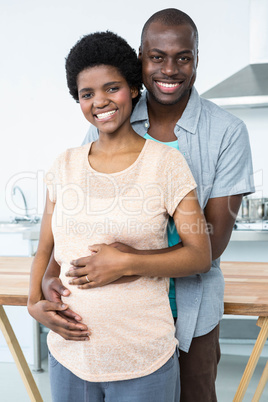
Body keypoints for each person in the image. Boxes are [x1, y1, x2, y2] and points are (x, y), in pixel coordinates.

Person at [40, 8, 255, 402]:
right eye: (157, 57)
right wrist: (49, 280)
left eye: (183, 58)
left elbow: (212, 241)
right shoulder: (109, 116)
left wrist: (126, 261)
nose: (169, 70)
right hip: (111, 313)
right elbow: (79, 218)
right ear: (140, 59)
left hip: (191, 305)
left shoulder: (226, 133)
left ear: (196, 59)